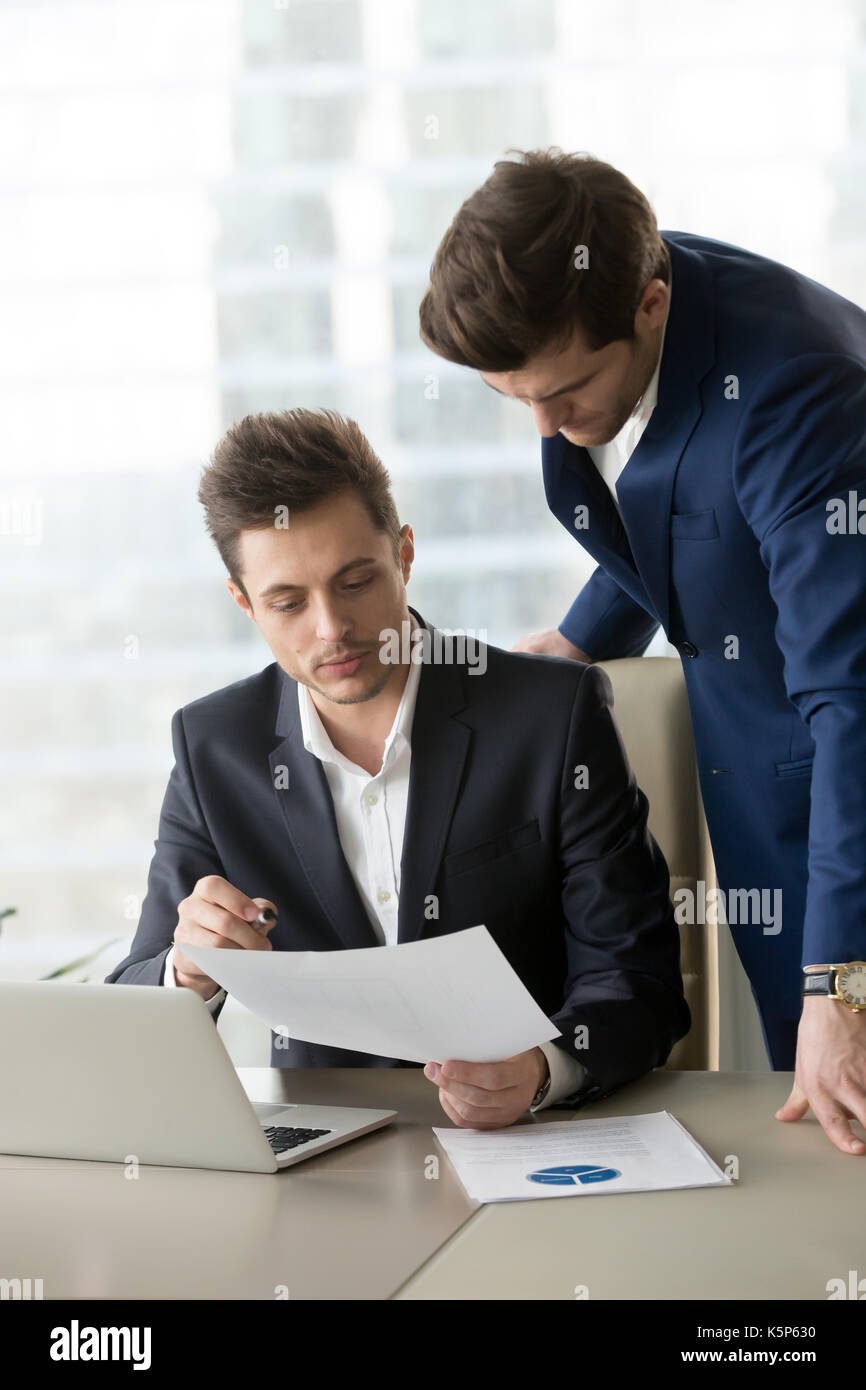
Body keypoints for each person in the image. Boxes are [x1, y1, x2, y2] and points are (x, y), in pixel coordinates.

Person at [419, 146, 866, 1153]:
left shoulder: (800, 395)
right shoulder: (610, 289)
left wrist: (843, 980)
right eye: (512, 397)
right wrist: (586, 635)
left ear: (652, 306)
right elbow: (690, 515)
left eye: (564, 391)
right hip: (767, 805)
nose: (546, 428)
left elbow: (853, 699)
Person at [106, 407, 689, 1129]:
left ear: (404, 554)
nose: (332, 628)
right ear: (243, 603)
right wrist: (187, 970)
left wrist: (543, 1067)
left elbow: (640, 982)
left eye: (355, 582)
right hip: (330, 1175)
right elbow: (130, 996)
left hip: (537, 1143)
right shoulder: (213, 746)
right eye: (288, 602)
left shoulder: (551, 716)